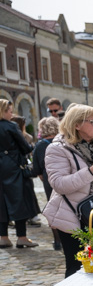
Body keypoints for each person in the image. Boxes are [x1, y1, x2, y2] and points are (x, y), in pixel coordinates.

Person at [43, 104, 93, 276]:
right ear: (76, 124)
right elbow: (59, 184)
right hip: (74, 216)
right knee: (77, 269)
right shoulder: (57, 148)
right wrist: (91, 172)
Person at [0, 99, 38, 248]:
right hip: (13, 167)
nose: (11, 113)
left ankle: (3, 237)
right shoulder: (11, 126)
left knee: (1, 202)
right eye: (9, 110)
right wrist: (31, 146)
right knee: (19, 199)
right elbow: (25, 147)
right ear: (3, 111)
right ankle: (21, 236)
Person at [32, 117, 62, 250]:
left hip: (49, 180)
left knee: (53, 209)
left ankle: (57, 240)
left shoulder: (40, 145)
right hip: (66, 177)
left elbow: (36, 169)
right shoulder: (63, 141)